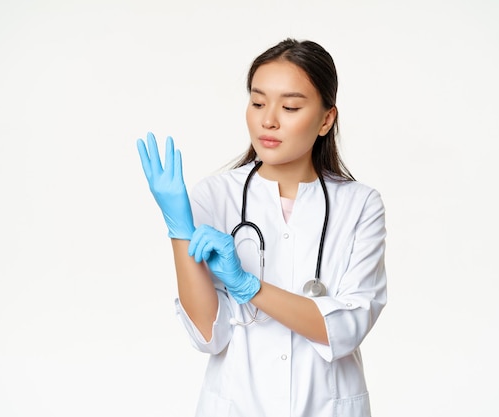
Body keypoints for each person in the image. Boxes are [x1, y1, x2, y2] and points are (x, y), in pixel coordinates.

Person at [137, 38, 387, 417]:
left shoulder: (360, 205)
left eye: (290, 107)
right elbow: (209, 335)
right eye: (257, 103)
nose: (268, 120)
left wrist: (249, 287)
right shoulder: (215, 196)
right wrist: (179, 229)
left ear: (325, 119)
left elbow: (348, 326)